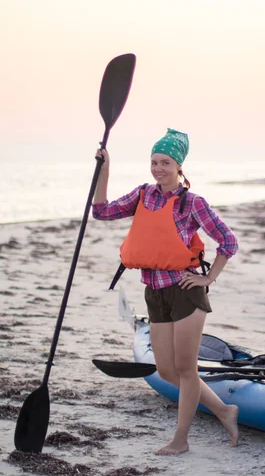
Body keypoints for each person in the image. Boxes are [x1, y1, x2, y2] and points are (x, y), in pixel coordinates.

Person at [92, 128, 239, 455]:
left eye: (166, 162)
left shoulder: (192, 203)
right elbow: (101, 212)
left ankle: (180, 440)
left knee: (186, 370)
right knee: (167, 370)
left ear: (179, 166)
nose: (158, 168)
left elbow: (228, 242)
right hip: (155, 293)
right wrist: (105, 169)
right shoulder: (144, 194)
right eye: (154, 162)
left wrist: (207, 279)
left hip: (186, 293)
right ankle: (224, 410)